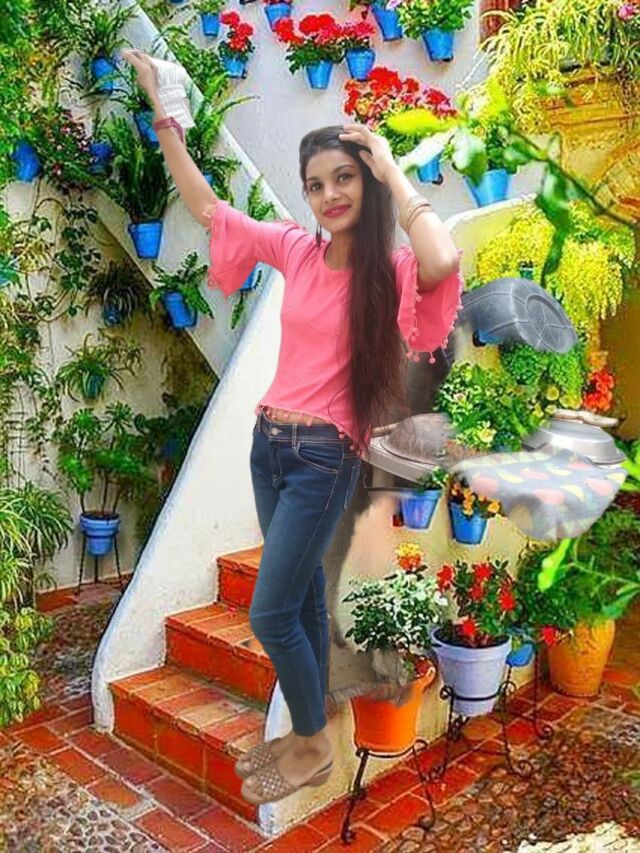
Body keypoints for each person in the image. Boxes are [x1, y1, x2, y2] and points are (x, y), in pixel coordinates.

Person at [122, 49, 462, 806]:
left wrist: (389, 166)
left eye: (344, 178)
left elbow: (442, 257)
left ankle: (311, 739)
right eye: (315, 183)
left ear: (365, 182)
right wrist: (165, 113)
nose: (329, 194)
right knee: (301, 596)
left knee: (269, 612)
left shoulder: (390, 271)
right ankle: (322, 716)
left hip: (323, 457)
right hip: (268, 448)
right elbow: (208, 209)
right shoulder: (297, 251)